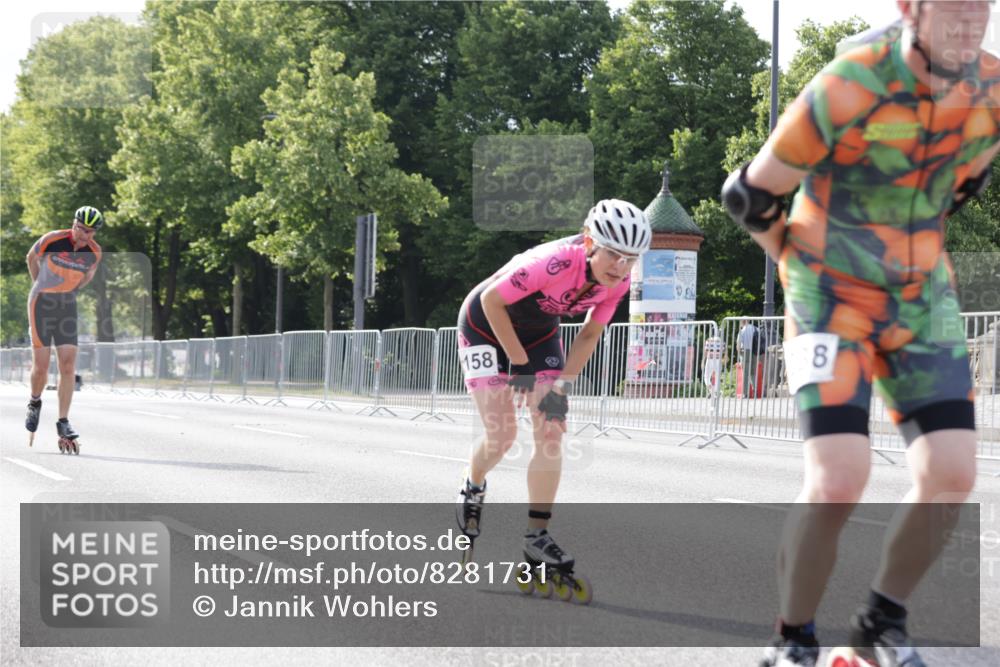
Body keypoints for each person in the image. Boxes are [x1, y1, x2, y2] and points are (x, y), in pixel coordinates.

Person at [721, 2, 999, 665]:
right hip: (829, 294)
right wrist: (791, 262)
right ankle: (793, 638)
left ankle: (880, 619)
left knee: (952, 472)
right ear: (910, 8)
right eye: (954, 8)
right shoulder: (849, 83)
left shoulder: (991, 90)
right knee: (840, 478)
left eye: (982, 7)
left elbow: (963, 185)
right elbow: (749, 195)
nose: (971, 22)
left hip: (920, 299)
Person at [455, 199, 651, 588]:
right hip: (483, 326)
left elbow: (591, 333)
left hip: (539, 332)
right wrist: (519, 365)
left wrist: (562, 386)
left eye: (631, 259)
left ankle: (536, 537)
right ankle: (473, 483)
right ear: (590, 242)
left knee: (551, 430)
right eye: (613, 254)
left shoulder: (621, 280)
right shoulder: (554, 261)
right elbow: (492, 301)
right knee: (503, 436)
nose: (621, 267)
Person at [24, 206, 104, 449]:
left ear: (94, 233)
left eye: (89, 232)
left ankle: (63, 421)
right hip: (41, 303)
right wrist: (40, 283)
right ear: (74, 223)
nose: (83, 235)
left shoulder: (94, 251)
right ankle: (35, 402)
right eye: (80, 228)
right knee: (41, 366)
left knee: (68, 366)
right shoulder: (53, 239)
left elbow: (89, 274)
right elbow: (30, 257)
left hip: (67, 304)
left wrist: (71, 288)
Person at [737, 318, 762, 397]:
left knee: (746, 374)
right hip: (755, 353)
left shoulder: (742, 331)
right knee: (753, 373)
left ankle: (745, 393)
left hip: (745, 352)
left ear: (743, 321)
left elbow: (738, 344)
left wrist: (739, 353)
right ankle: (755, 392)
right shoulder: (756, 329)